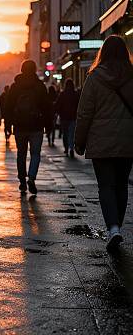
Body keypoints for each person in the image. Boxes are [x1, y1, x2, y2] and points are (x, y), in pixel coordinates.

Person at [75, 35, 133, 251]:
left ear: (103, 53)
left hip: (101, 142)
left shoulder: (94, 78)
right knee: (121, 184)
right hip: (127, 140)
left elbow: (84, 114)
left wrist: (79, 142)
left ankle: (113, 228)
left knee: (106, 186)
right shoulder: (131, 75)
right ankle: (117, 225)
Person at [5, 60, 52, 195]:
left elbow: (8, 107)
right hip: (36, 125)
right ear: (35, 69)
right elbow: (46, 107)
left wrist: (8, 125)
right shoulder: (39, 86)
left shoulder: (15, 86)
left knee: (21, 153)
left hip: (19, 125)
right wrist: (48, 125)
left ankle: (22, 181)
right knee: (35, 154)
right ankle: (31, 177)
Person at [55, 79, 79, 158]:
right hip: (73, 117)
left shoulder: (62, 94)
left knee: (65, 134)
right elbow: (78, 105)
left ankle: (66, 148)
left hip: (64, 117)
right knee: (72, 134)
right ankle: (71, 148)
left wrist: (57, 112)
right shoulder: (75, 94)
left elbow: (58, 105)